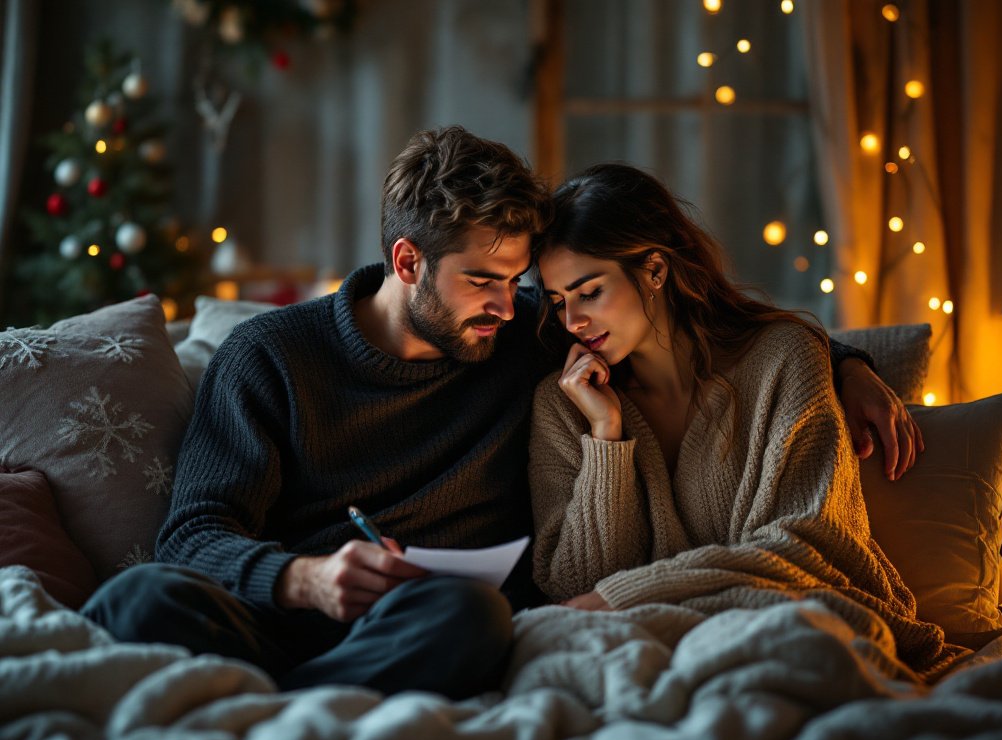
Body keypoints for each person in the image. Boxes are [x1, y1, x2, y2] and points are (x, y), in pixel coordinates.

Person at [81, 127, 925, 699]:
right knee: (143, 597)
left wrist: (845, 361)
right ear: (407, 262)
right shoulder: (268, 356)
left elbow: (710, 329)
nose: (509, 304)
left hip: (424, 628)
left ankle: (279, 713)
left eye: (518, 281)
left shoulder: (526, 335)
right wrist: (305, 578)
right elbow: (192, 534)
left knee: (473, 617)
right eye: (484, 281)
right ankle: (302, 699)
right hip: (282, 618)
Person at [528, 163, 956, 677]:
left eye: (590, 292)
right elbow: (578, 589)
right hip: (638, 650)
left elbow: (806, 544)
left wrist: (631, 593)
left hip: (788, 624)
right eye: (558, 302)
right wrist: (606, 439)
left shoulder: (783, 360)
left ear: (655, 270)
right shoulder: (564, 404)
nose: (573, 321)